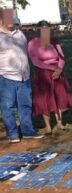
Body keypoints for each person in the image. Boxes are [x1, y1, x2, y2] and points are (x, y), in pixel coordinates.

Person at [0, 8, 44, 143]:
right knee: (8, 106)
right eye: (7, 18)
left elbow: (25, 50)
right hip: (6, 76)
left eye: (12, 18)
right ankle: (12, 133)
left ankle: (27, 131)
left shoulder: (19, 34)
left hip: (24, 76)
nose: (11, 21)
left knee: (25, 105)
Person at [28, 20, 72, 135]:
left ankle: (59, 122)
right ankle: (48, 126)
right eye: (42, 29)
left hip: (57, 72)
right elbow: (35, 61)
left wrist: (59, 69)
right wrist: (51, 69)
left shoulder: (54, 42)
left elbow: (61, 57)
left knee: (58, 97)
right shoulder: (33, 43)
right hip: (43, 73)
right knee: (44, 99)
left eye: (47, 29)